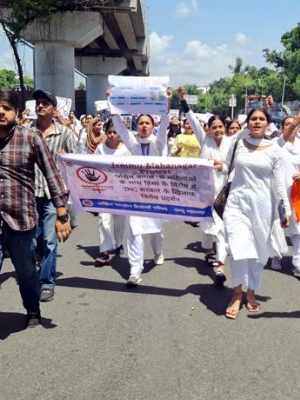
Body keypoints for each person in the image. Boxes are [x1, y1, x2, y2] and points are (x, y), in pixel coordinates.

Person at [0, 88, 72, 379]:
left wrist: (62, 213)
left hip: (22, 223)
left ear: (18, 113)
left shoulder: (31, 138)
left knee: (25, 272)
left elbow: (52, 175)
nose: (0, 112)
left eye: (7, 107)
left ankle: (32, 307)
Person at [223, 108, 291, 319]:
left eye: (262, 119)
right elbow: (226, 167)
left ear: (268, 123)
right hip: (236, 204)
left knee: (258, 253)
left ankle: (251, 292)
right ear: (248, 123)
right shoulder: (237, 144)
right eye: (253, 119)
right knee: (238, 248)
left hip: (262, 208)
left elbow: (279, 184)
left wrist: (284, 210)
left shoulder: (275, 150)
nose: (257, 122)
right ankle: (236, 294)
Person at [108, 88, 171, 286]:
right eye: (141, 123)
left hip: (155, 194)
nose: (144, 126)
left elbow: (165, 124)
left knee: (156, 230)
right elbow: (118, 125)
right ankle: (135, 271)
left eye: (147, 123)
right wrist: (110, 99)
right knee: (134, 230)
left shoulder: (158, 143)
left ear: (153, 125)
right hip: (134, 194)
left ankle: (158, 252)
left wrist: (167, 102)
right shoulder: (132, 143)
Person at [179, 87, 233, 283]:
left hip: (225, 195)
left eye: (221, 126)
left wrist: (223, 167)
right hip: (205, 193)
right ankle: (209, 251)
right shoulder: (205, 140)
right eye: (214, 127)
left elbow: (234, 164)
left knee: (221, 230)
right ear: (208, 129)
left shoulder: (231, 142)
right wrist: (183, 102)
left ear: (224, 128)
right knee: (207, 227)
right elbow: (192, 121)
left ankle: (219, 267)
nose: (218, 129)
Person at [29, 89, 77, 302]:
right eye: (38, 103)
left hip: (52, 195)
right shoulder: (25, 131)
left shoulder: (64, 133)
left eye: (45, 104)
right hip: (29, 193)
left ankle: (47, 281)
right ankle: (39, 265)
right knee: (33, 241)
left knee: (50, 239)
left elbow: (76, 161)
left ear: (53, 109)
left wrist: (67, 157)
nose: (40, 106)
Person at [274, 110, 300, 280]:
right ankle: (276, 256)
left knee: (299, 229)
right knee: (279, 223)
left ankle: (299, 265)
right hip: (279, 191)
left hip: (298, 192)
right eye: (288, 125)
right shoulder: (277, 144)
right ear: (282, 129)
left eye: (295, 124)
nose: (292, 127)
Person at [93, 119, 129, 265]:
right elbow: (92, 166)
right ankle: (105, 251)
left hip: (121, 192)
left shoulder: (127, 150)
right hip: (104, 191)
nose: (112, 135)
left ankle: (118, 242)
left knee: (119, 222)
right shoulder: (100, 149)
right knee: (104, 221)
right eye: (109, 132)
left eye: (115, 132)